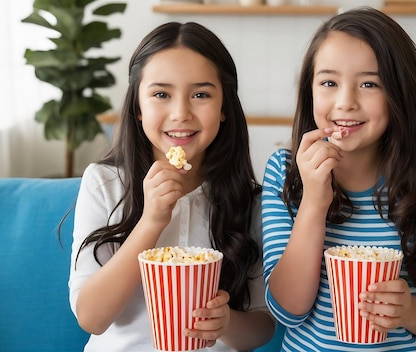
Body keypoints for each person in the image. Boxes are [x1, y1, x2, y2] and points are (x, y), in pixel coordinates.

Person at [261, 7, 416, 351]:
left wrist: (411, 312)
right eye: (329, 83)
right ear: (310, 91)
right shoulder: (285, 172)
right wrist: (315, 202)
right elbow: (287, 311)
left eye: (369, 84)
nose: (345, 102)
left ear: (400, 94)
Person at [68, 22, 275, 351]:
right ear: (138, 107)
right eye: (161, 94)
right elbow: (91, 318)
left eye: (200, 95)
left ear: (224, 109)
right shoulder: (105, 183)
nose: (181, 113)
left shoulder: (250, 200)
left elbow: (262, 326)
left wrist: (227, 323)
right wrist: (151, 220)